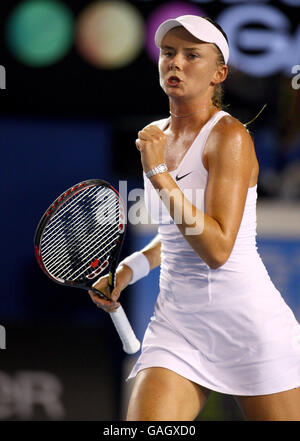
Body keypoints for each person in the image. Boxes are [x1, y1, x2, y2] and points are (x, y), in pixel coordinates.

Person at [89, 15, 300, 421]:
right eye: (168, 53)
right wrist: (130, 268)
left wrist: (158, 174)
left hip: (248, 327)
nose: (176, 63)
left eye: (192, 55)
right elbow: (174, 233)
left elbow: (217, 249)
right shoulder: (155, 133)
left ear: (218, 73)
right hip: (177, 325)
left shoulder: (229, 137)